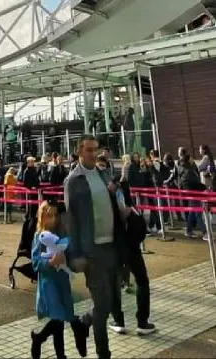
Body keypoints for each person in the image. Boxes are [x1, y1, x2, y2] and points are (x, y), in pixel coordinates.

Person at [64, 135, 125, 359]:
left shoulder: (103, 174)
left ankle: (84, 321)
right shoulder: (73, 181)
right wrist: (75, 254)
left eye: (95, 149)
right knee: (103, 304)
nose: (93, 153)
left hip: (111, 245)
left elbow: (113, 201)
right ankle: (103, 353)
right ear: (80, 152)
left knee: (112, 302)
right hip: (92, 250)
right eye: (89, 150)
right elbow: (72, 221)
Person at [31, 200, 91, 359]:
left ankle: (58, 352)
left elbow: (70, 252)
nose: (53, 219)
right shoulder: (40, 237)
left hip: (62, 281)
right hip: (48, 282)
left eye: (55, 216)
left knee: (62, 318)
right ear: (42, 217)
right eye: (49, 216)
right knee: (58, 316)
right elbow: (36, 262)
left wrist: (71, 260)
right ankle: (40, 338)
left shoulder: (62, 235)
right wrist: (49, 262)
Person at [108, 174, 156, 336]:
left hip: (116, 245)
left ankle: (118, 320)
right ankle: (142, 321)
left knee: (114, 282)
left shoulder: (108, 198)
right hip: (132, 245)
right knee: (142, 280)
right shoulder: (126, 196)